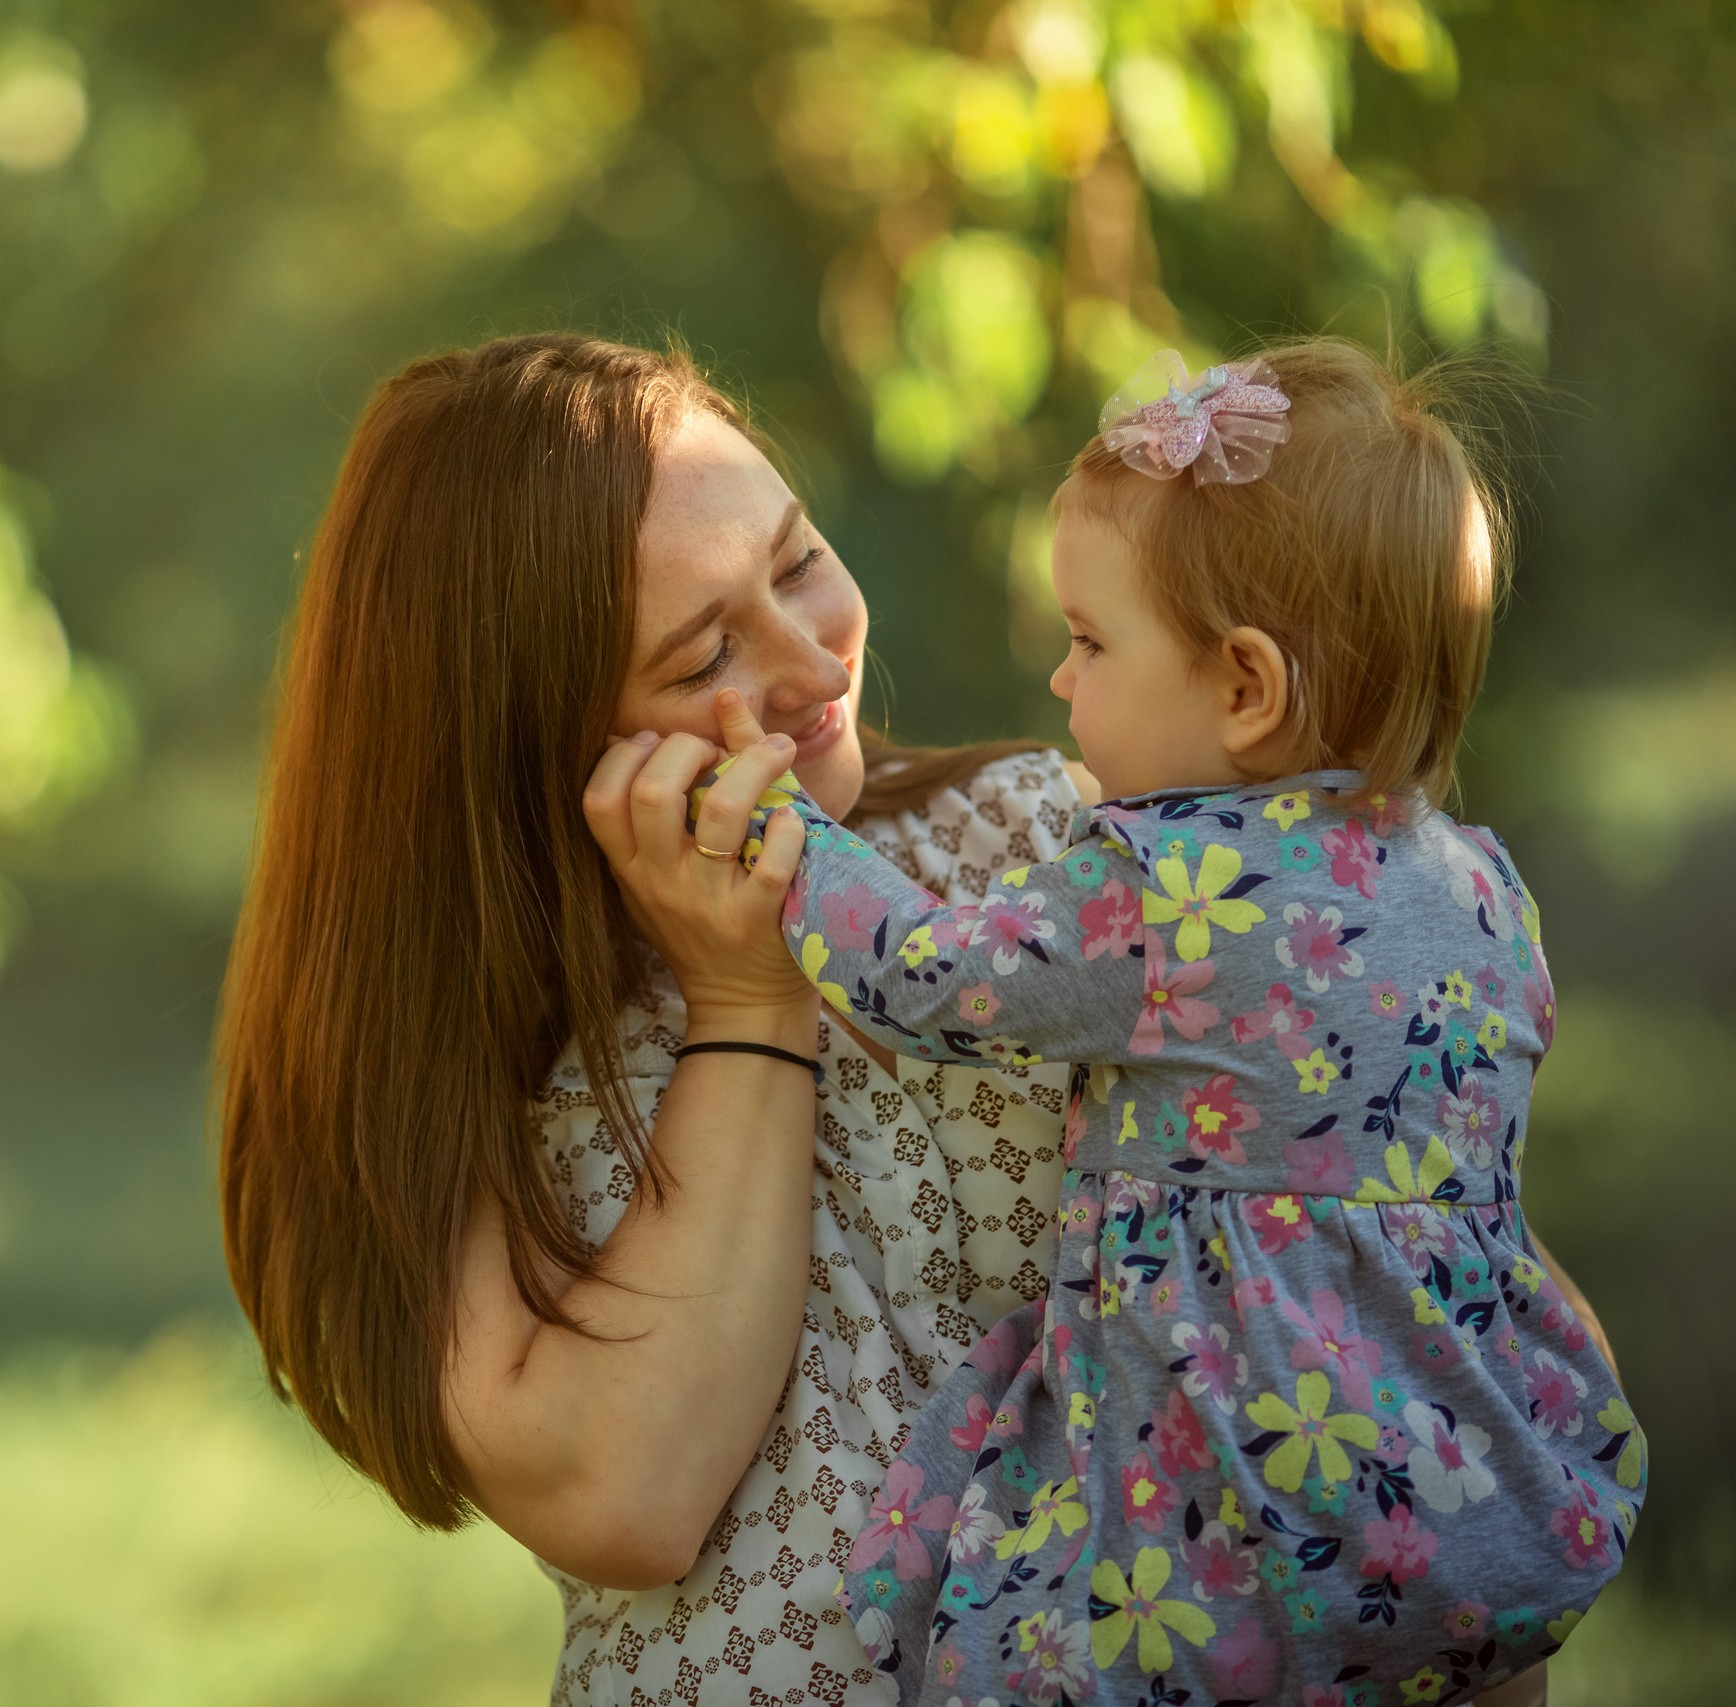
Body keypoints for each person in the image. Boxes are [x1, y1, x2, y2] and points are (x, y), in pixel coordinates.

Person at [732, 340, 1641, 1703]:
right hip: (1457, 1489)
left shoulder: (1165, 886)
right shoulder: (1484, 887)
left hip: (1229, 1498)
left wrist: (783, 833)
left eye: (1090, 642)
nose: (1060, 681)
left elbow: (926, 977)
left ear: (1245, 689)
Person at [219, 333, 1101, 1700]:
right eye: (705, 658)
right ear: (537, 745)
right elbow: (627, 1500)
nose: (816, 668)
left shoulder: (1037, 851)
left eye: (798, 564)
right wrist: (748, 999)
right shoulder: (456, 1078)